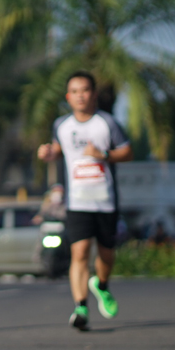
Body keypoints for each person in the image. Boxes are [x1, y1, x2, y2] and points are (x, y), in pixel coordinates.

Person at [36, 71, 132, 331]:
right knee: (79, 253)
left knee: (106, 254)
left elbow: (127, 151)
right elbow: (59, 149)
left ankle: (101, 285)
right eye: (75, 91)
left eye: (85, 90)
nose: (80, 96)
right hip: (77, 201)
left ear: (94, 94)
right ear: (68, 97)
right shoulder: (62, 125)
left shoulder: (107, 123)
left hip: (105, 200)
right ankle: (80, 308)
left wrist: (104, 155)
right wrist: (48, 152)